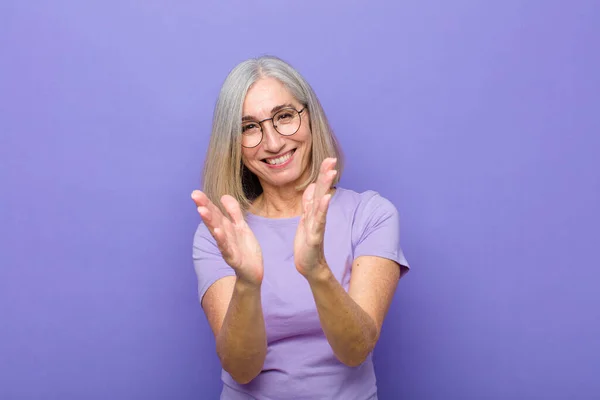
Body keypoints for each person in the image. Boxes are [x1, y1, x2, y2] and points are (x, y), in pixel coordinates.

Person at [191, 55, 409, 400]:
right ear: (232, 142)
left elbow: (356, 350)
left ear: (310, 118)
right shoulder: (220, 236)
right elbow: (241, 368)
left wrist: (316, 270)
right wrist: (248, 282)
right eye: (249, 127)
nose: (274, 142)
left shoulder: (371, 214)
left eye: (284, 117)